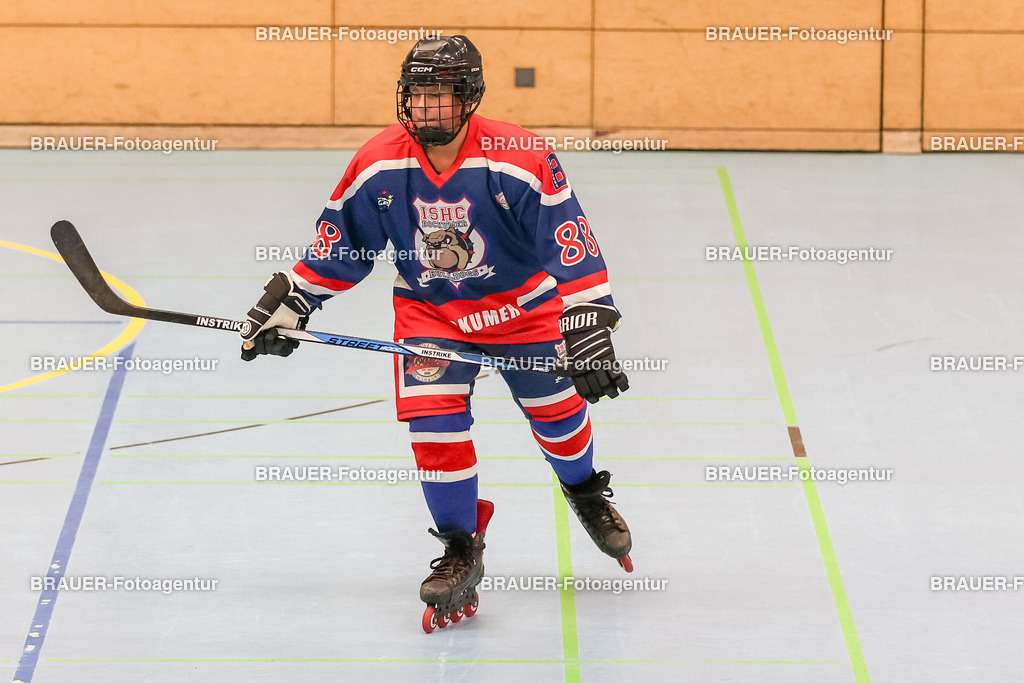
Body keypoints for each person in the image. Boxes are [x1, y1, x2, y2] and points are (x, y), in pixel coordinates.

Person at [239, 35, 632, 632]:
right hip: (432, 316)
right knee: (434, 425)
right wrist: (295, 299)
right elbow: (342, 245)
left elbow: (571, 240)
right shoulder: (379, 163)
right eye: (418, 94)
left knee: (558, 412)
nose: (428, 107)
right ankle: (459, 547)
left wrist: (590, 323)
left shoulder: (519, 156)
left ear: (468, 96)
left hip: (523, 308)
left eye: (441, 94)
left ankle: (583, 491)